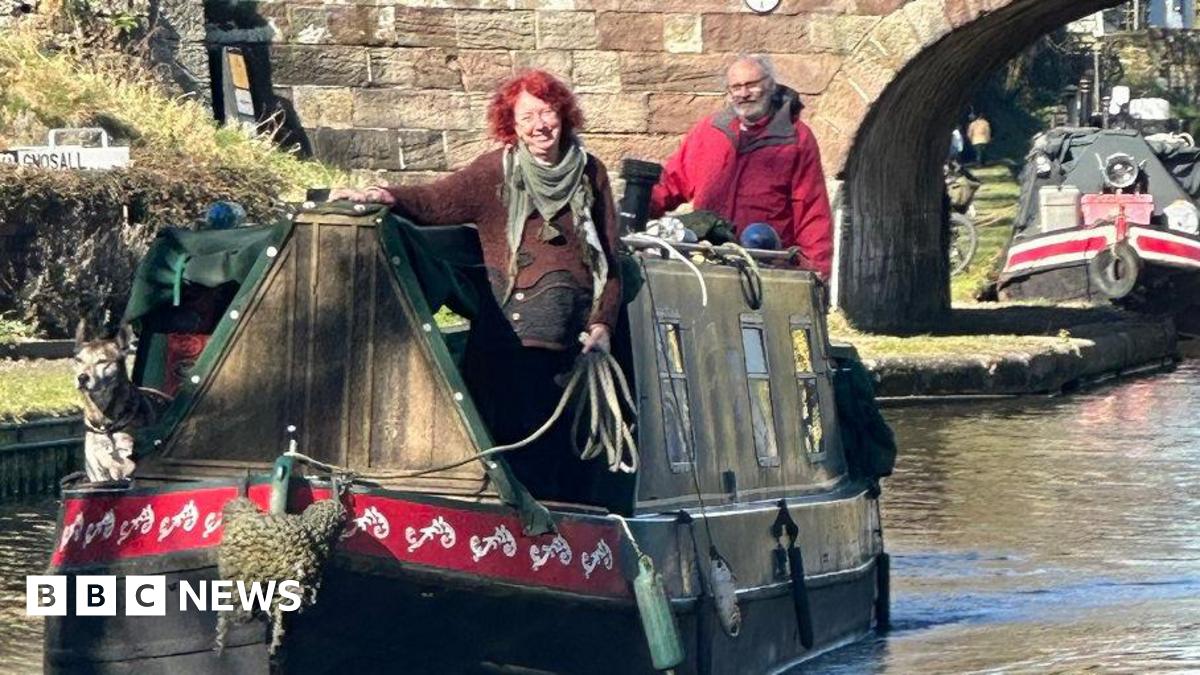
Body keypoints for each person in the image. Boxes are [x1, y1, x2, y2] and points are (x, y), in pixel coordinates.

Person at [331, 70, 622, 501]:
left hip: (571, 346)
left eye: (547, 112)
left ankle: (553, 524)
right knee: (511, 445)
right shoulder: (495, 172)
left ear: (563, 113)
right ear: (512, 125)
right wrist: (382, 195)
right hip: (509, 341)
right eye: (527, 117)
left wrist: (603, 324)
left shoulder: (590, 172)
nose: (540, 125)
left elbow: (609, 258)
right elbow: (436, 200)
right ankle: (519, 522)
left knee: (558, 457)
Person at [649, 54, 833, 279]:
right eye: (736, 87)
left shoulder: (795, 139)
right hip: (710, 262)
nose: (744, 94)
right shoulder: (709, 132)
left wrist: (817, 274)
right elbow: (671, 183)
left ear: (770, 86)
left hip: (768, 267)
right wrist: (634, 211)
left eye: (752, 85)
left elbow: (812, 212)